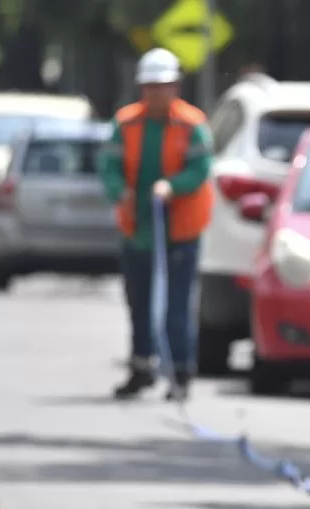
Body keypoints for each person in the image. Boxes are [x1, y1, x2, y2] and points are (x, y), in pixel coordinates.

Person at [100, 48, 215, 400]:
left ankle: (180, 372)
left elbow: (200, 169)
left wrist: (172, 186)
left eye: (163, 85)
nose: (156, 93)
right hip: (138, 229)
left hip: (179, 231)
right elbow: (110, 167)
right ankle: (141, 367)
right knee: (138, 302)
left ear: (176, 86)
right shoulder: (126, 123)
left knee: (177, 304)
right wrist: (119, 191)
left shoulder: (192, 124)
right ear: (141, 87)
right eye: (150, 86)